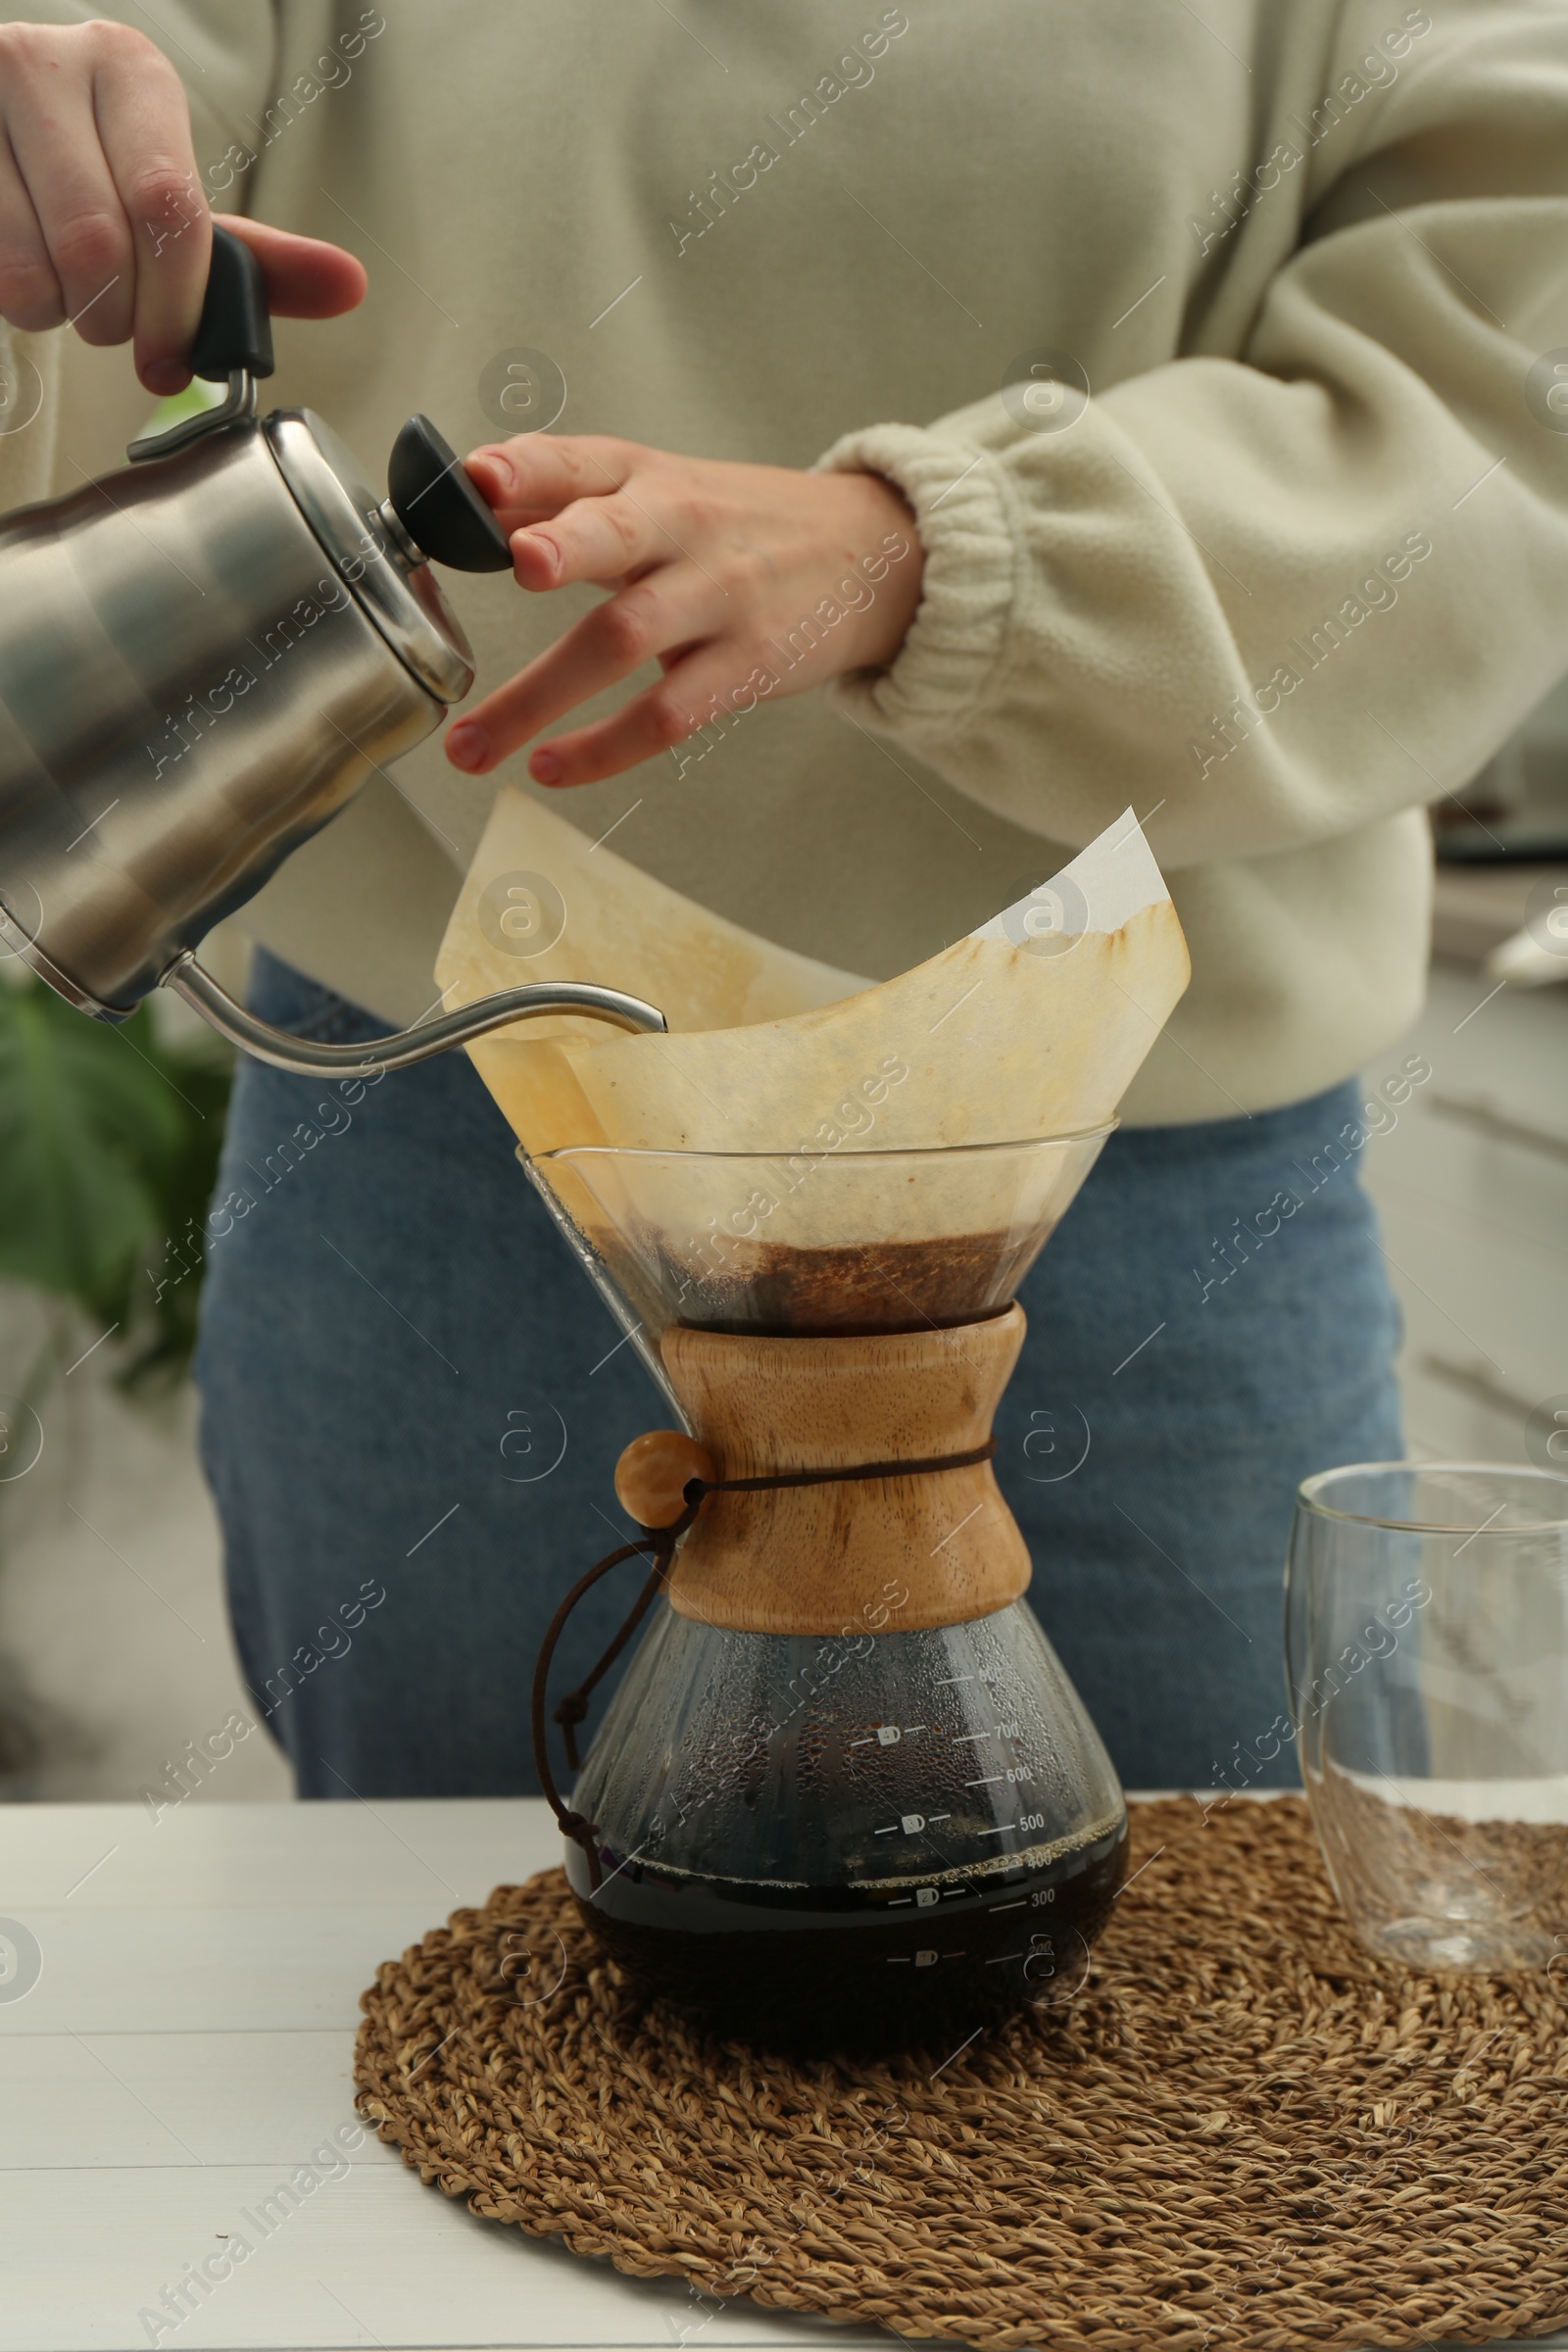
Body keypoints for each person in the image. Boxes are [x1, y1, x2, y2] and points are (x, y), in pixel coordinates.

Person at [1, 3, 1564, 1799]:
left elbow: (1496, 413)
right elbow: (94, 141)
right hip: (455, 1159)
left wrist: (940, 552)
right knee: (430, 2019)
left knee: (1228, 2030)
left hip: (1122, 1197)